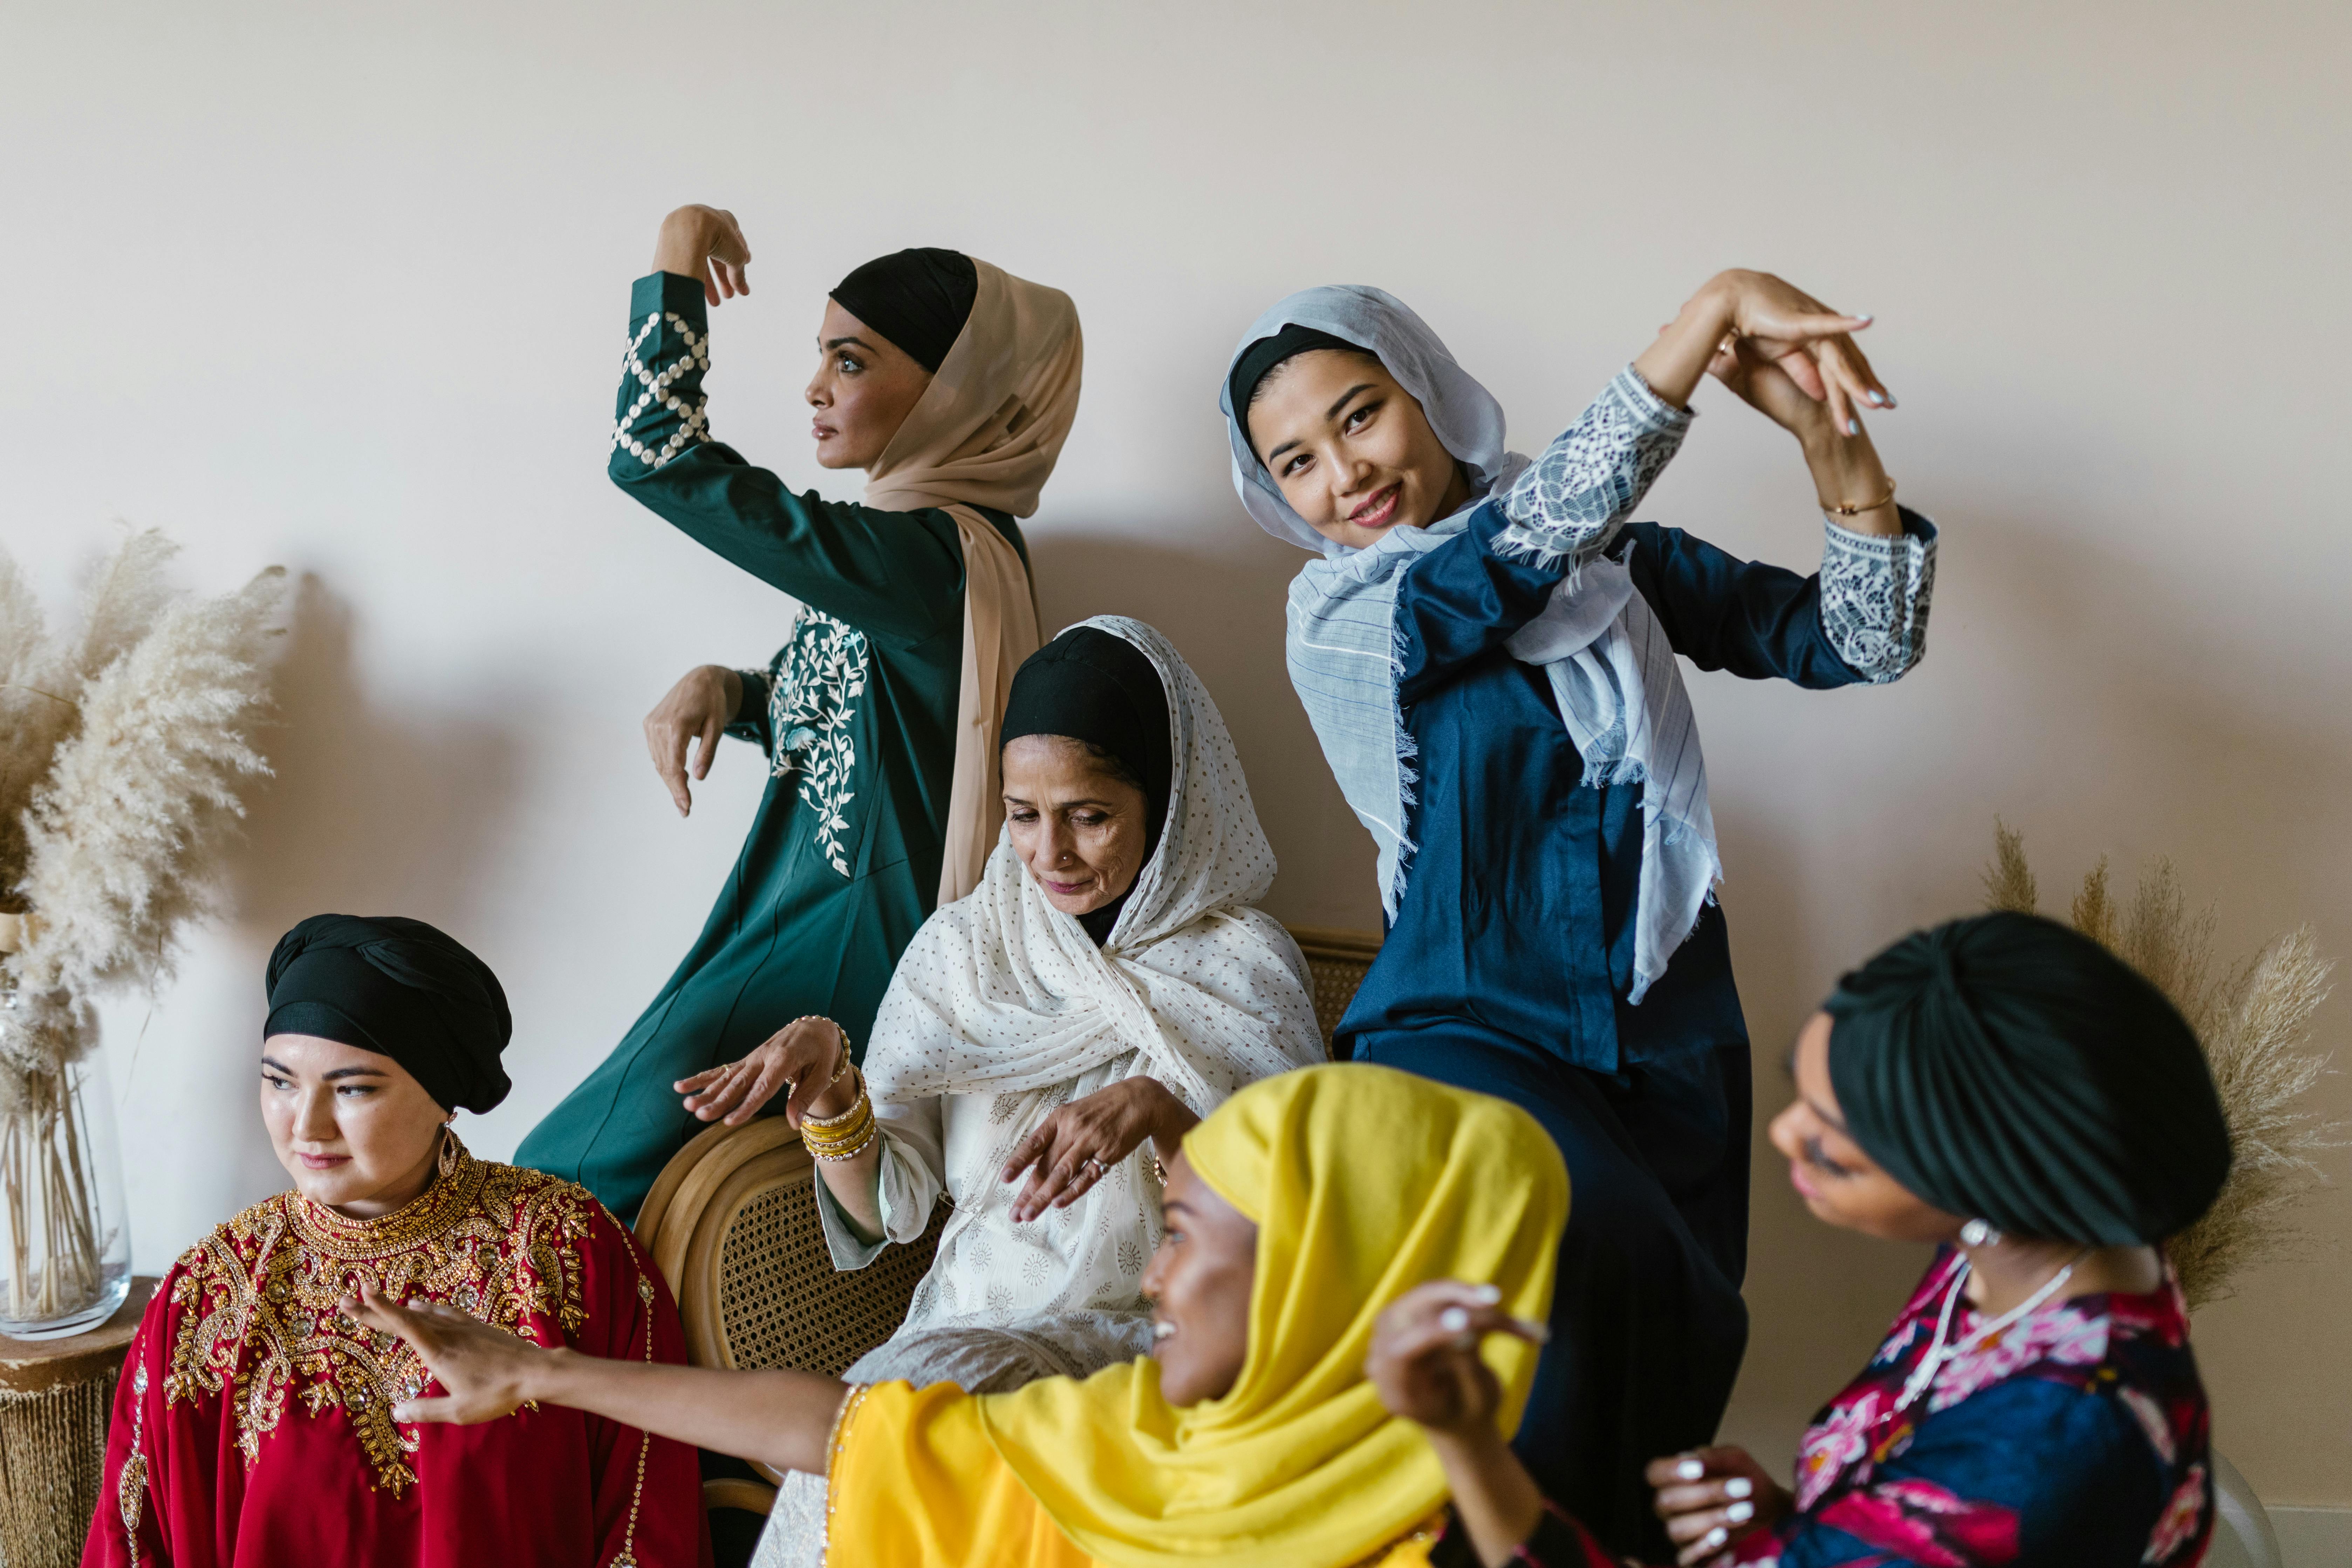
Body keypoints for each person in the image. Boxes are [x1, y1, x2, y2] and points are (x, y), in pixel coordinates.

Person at [1218, 271, 1938, 1552]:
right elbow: (1521, 552)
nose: (1344, 470)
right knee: (1575, 1271)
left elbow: (1860, 640)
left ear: (1429, 395)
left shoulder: (1609, 559)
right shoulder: (1350, 614)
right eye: (1297, 462)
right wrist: (1709, 309)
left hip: (1666, 1035)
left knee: (1682, 1348)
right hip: (1470, 1020)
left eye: (1362, 414)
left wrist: (1832, 443)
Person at [342, 1062, 1570, 1567]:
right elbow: (844, 1429)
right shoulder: (1123, 1443)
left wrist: (1463, 1448)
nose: (1148, 1278)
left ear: (1322, 1267)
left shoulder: (1448, 1532)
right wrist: (539, 1371)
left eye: (1183, 1234)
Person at [677, 615, 1327, 1562]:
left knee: (908, 1414)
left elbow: (1295, 1230)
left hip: (1151, 1344)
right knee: (890, 1426)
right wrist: (831, 1093)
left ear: (1169, 800)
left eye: (1090, 814)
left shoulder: (1243, 968)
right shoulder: (966, 951)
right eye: (1023, 813)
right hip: (965, 1332)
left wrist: (1163, 1114)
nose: (1049, 852)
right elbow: (894, 1207)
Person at [518, 206, 1082, 1219]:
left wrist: (675, 254)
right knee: (571, 1178)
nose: (816, 387)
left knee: (564, 1176)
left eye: (852, 362)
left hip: (841, 946)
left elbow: (655, 454)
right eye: (822, 356)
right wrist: (734, 691)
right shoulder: (931, 552)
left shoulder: (923, 556)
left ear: (955, 390)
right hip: (797, 913)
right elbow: (858, 731)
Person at [1368, 911, 2228, 1568]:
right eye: (1800, 1094)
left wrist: (1464, 1436)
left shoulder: (2049, 1441)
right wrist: (1797, 1525)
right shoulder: (2018, 1260)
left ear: (1981, 1175)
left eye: (1830, 1145)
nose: (1782, 1138)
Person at [84, 915, 707, 1568]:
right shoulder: (212, 1292)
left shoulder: (565, 1252)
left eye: (352, 1088)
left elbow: (647, 1510)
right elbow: (132, 1540)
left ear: (443, 1096)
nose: (307, 1125)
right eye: (279, 1081)